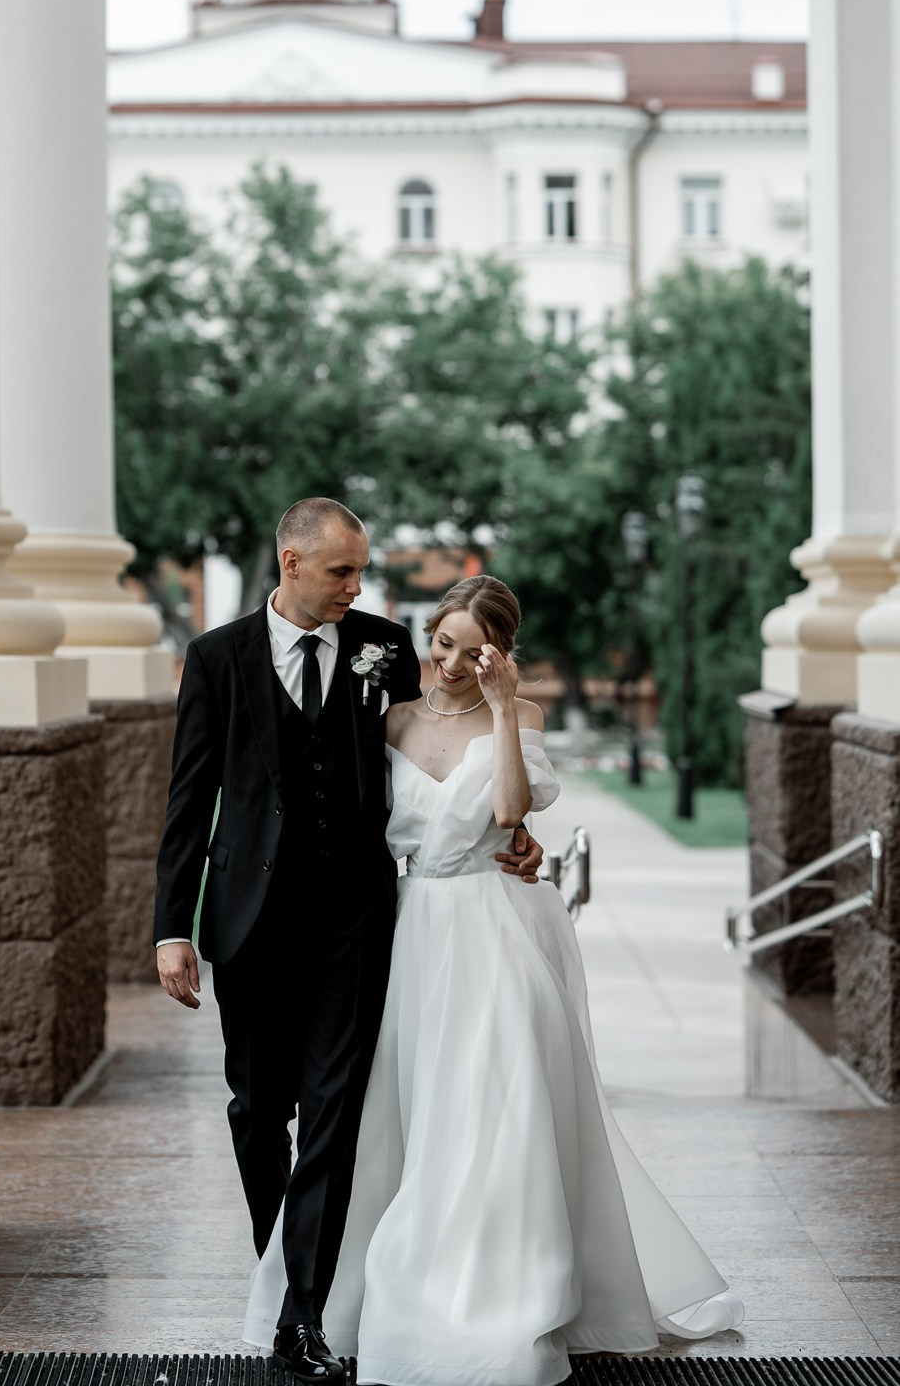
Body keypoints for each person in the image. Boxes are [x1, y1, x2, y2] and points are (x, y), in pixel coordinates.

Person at [244, 573, 744, 1385]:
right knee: (414, 1111)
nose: (452, 663)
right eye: (443, 644)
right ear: (427, 637)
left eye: (474, 653)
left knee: (497, 1109)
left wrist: (506, 711)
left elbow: (512, 812)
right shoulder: (388, 718)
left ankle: (506, 1293)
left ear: (501, 656)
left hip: (499, 928)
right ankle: (383, 1286)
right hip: (412, 930)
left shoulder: (521, 716)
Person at [154, 502, 545, 1383]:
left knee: (334, 1117)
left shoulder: (380, 646)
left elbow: (437, 749)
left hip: (356, 923)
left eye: (360, 573)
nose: (357, 588)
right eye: (341, 573)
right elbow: (189, 800)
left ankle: (304, 1313)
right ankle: (278, 1259)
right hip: (248, 924)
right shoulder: (217, 660)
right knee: (260, 1112)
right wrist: (170, 927)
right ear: (291, 563)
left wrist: (509, 833)